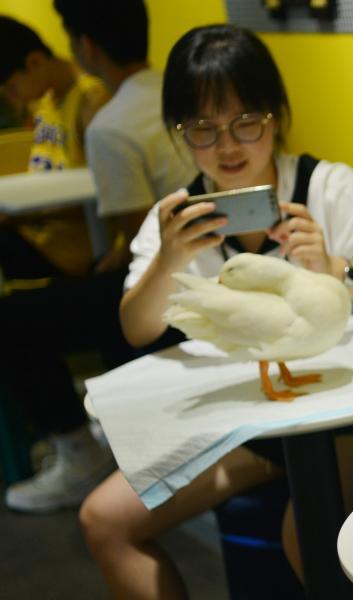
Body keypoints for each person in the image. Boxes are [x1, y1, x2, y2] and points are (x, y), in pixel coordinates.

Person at [79, 24, 353, 598]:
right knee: (104, 519)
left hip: (349, 408)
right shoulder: (177, 220)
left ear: (276, 116)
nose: (228, 146)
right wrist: (168, 259)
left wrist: (336, 265)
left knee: (308, 536)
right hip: (242, 424)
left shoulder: (329, 189)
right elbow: (136, 328)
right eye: (203, 130)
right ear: (179, 134)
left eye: (247, 122)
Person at [2, 0, 196, 513]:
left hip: (172, 280)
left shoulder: (110, 121)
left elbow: (142, 247)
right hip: (197, 263)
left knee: (15, 321)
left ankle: (78, 449)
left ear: (85, 46)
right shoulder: (178, 91)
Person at [0, 15, 109, 279]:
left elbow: (104, 197)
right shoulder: (46, 100)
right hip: (38, 235)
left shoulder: (90, 101)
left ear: (35, 62)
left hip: (69, 251)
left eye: (12, 88)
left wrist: (18, 215)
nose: (14, 99)